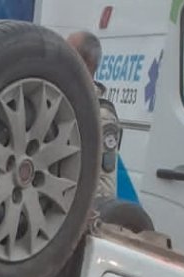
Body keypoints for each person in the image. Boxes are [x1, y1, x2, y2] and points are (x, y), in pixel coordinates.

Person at [66, 31, 122, 200]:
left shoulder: (100, 116)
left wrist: (63, 183)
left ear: (87, 63)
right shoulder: (61, 102)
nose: (60, 58)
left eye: (68, 53)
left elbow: (106, 189)